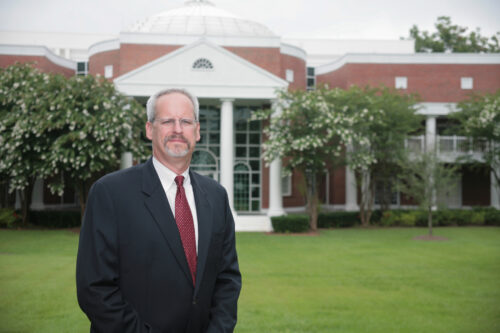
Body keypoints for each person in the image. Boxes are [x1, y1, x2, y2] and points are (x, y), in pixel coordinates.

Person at [76, 88, 242, 333]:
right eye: (167, 121)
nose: (177, 129)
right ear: (149, 129)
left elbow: (227, 279)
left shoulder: (216, 196)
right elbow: (95, 288)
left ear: (197, 131)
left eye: (185, 121)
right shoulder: (110, 193)